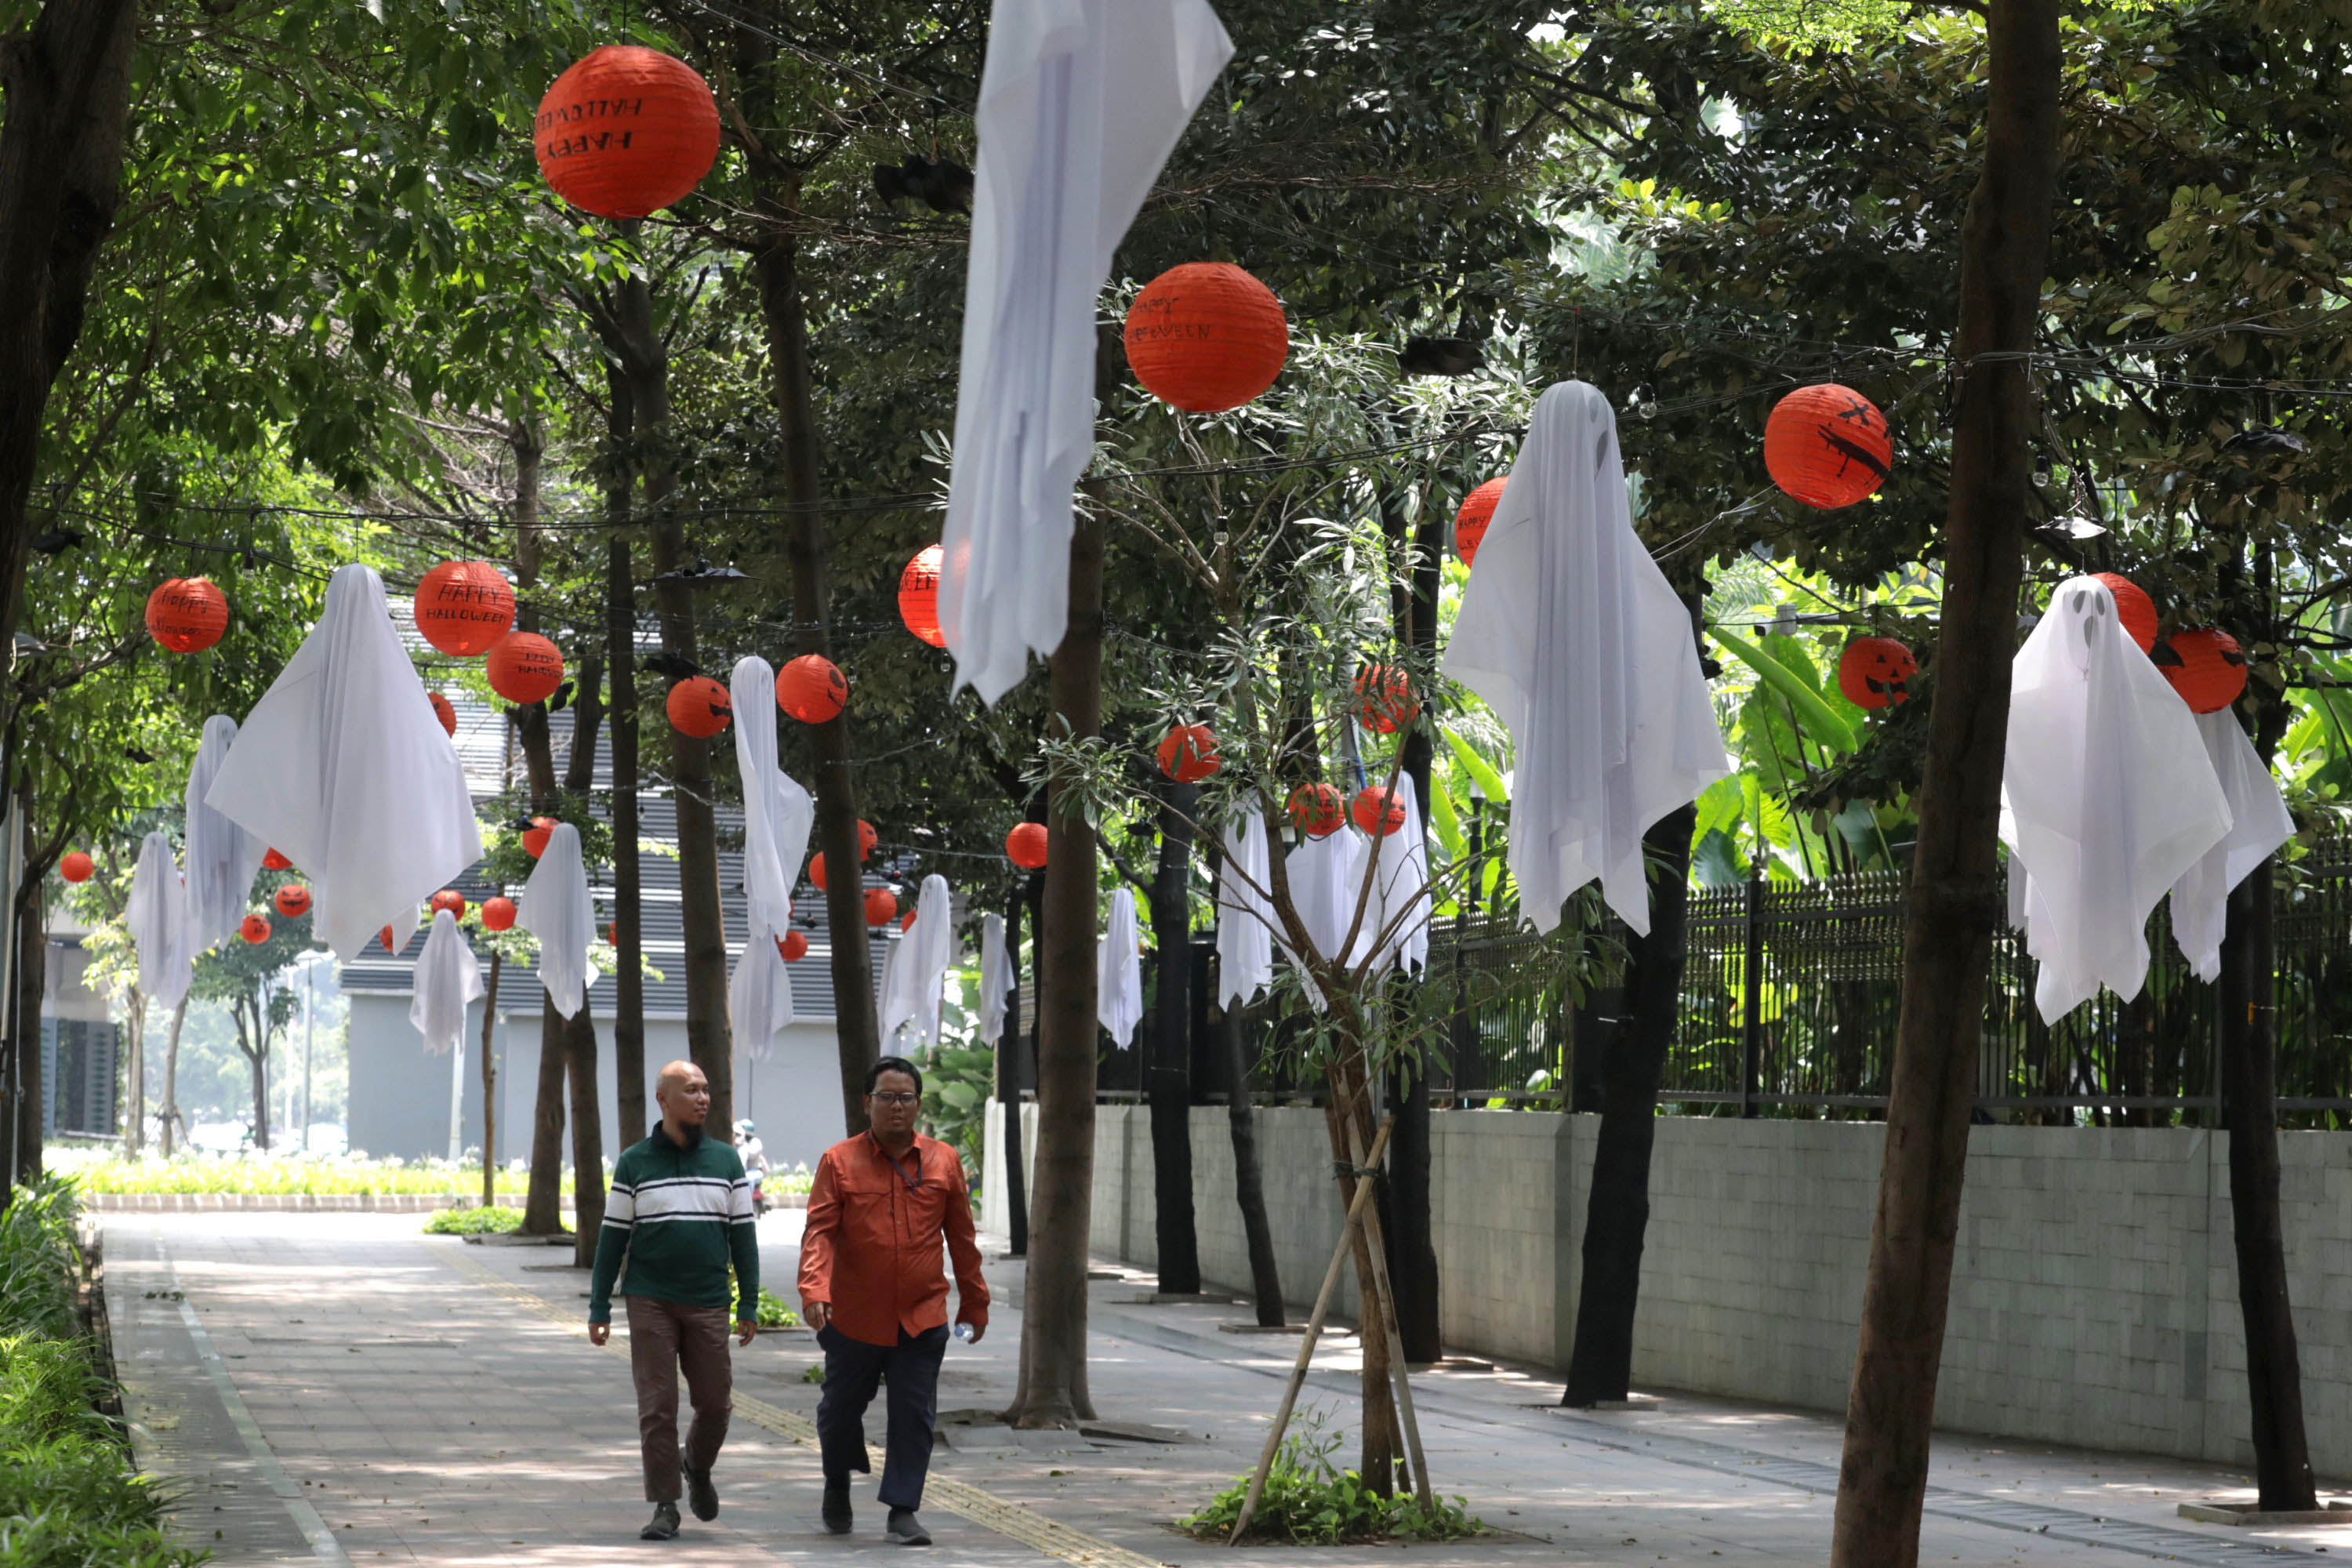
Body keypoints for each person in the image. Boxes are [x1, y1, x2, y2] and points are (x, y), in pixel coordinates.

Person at [800, 1055, 989, 1547]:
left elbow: (963, 1240)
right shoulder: (838, 1161)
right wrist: (815, 1288)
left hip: (922, 1316)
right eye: (886, 1097)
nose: (897, 1107)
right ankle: (837, 1479)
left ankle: (903, 1509)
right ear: (868, 1104)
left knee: (914, 1415)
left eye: (906, 1097)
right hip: (853, 1316)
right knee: (839, 1410)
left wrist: (975, 1302)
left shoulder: (944, 1160)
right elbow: (819, 1232)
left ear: (918, 1104)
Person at [587, 1061, 760, 1541]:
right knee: (657, 1406)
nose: (703, 1098)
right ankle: (665, 1504)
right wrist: (599, 1306)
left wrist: (747, 1304)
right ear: (664, 1099)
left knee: (715, 1404)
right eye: (691, 1090)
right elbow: (612, 1239)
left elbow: (743, 1240)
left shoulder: (727, 1162)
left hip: (708, 1300)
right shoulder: (635, 1162)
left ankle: (696, 1467)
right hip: (650, 1300)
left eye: (706, 1089)